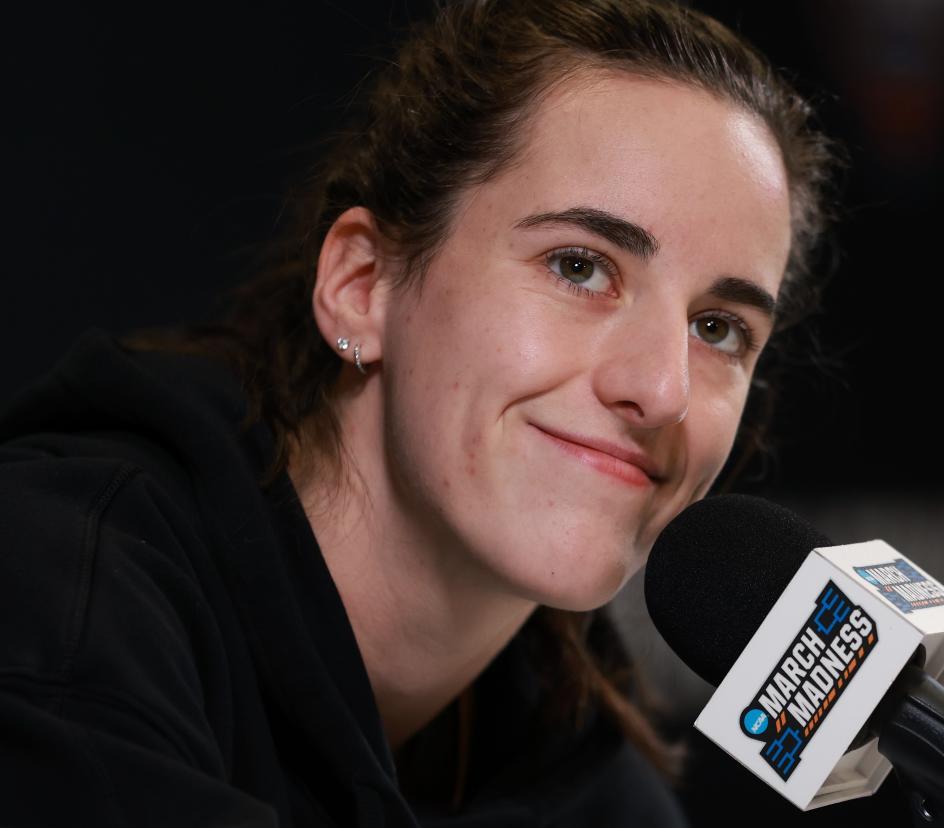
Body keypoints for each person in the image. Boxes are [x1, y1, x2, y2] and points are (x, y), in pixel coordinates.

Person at [0, 0, 839, 824]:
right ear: (363, 288)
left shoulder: (595, 793)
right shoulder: (64, 601)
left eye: (718, 328)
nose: (661, 389)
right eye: (580, 268)